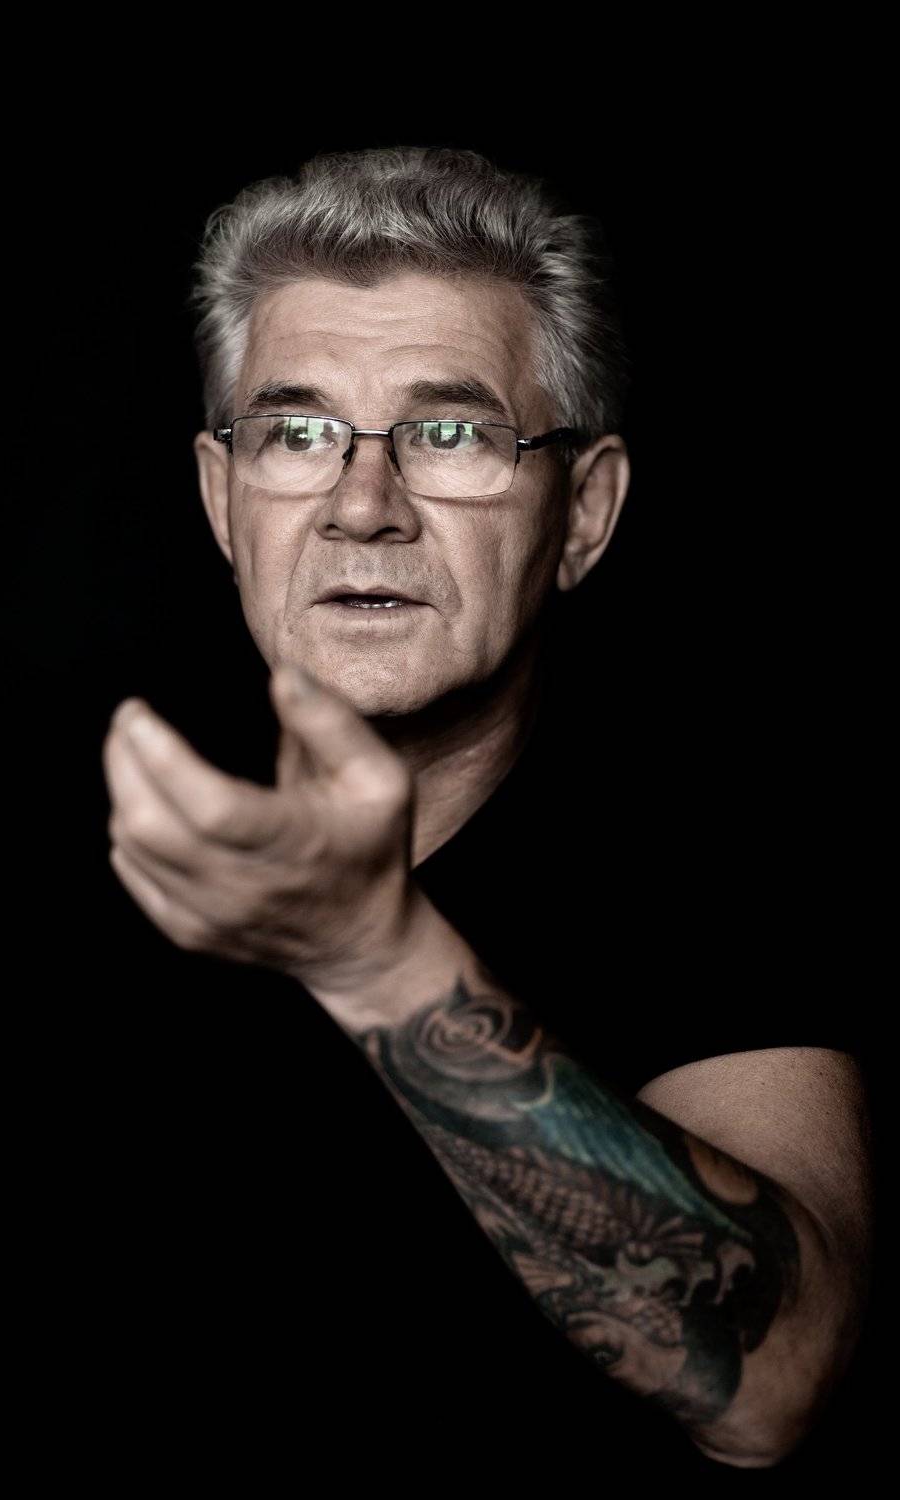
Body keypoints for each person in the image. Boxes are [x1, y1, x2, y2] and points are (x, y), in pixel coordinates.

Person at [101, 146, 874, 1470]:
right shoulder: (34, 818)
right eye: (296, 434)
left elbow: (772, 1382)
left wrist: (374, 956)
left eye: (451, 433)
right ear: (223, 498)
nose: (363, 507)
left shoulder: (730, 860)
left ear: (585, 513)